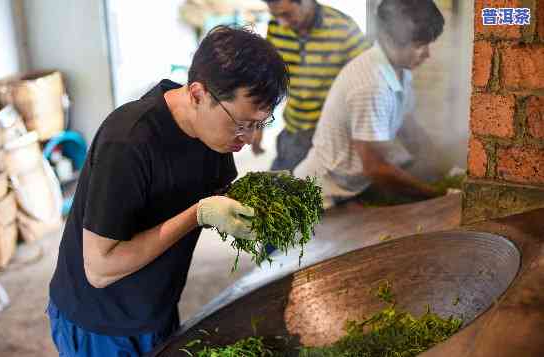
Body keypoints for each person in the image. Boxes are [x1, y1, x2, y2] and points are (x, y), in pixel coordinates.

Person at [47, 25, 289, 356]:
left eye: (259, 124)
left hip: (157, 308)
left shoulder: (216, 137)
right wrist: (198, 214)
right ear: (197, 94)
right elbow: (100, 269)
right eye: (242, 124)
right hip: (99, 324)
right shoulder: (129, 141)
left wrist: (269, 207)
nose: (247, 139)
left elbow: (223, 194)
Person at [294, 0, 445, 209]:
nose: (427, 54)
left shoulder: (401, 70)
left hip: (354, 188)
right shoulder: (371, 85)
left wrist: (441, 164)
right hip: (324, 196)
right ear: (388, 38)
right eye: (419, 45)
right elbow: (374, 168)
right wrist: (438, 194)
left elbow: (408, 125)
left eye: (429, 43)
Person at [253, 0, 370, 172]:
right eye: (276, 16)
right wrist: (258, 125)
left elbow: (367, 79)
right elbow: (268, 80)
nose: (282, 23)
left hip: (332, 136)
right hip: (293, 133)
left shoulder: (342, 27)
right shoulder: (276, 27)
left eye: (286, 14)